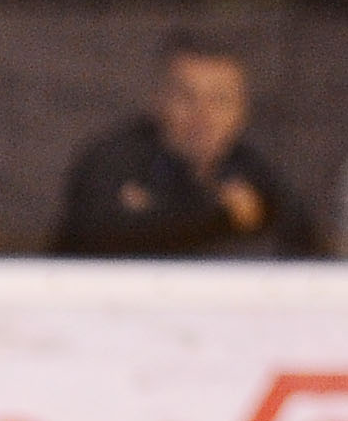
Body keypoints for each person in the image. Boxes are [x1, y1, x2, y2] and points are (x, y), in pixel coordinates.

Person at [52, 35, 323, 260]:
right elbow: (103, 239)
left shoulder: (254, 171)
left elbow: (309, 254)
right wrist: (219, 219)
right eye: (186, 97)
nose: (203, 115)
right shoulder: (112, 160)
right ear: (157, 100)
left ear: (242, 110)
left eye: (220, 100)